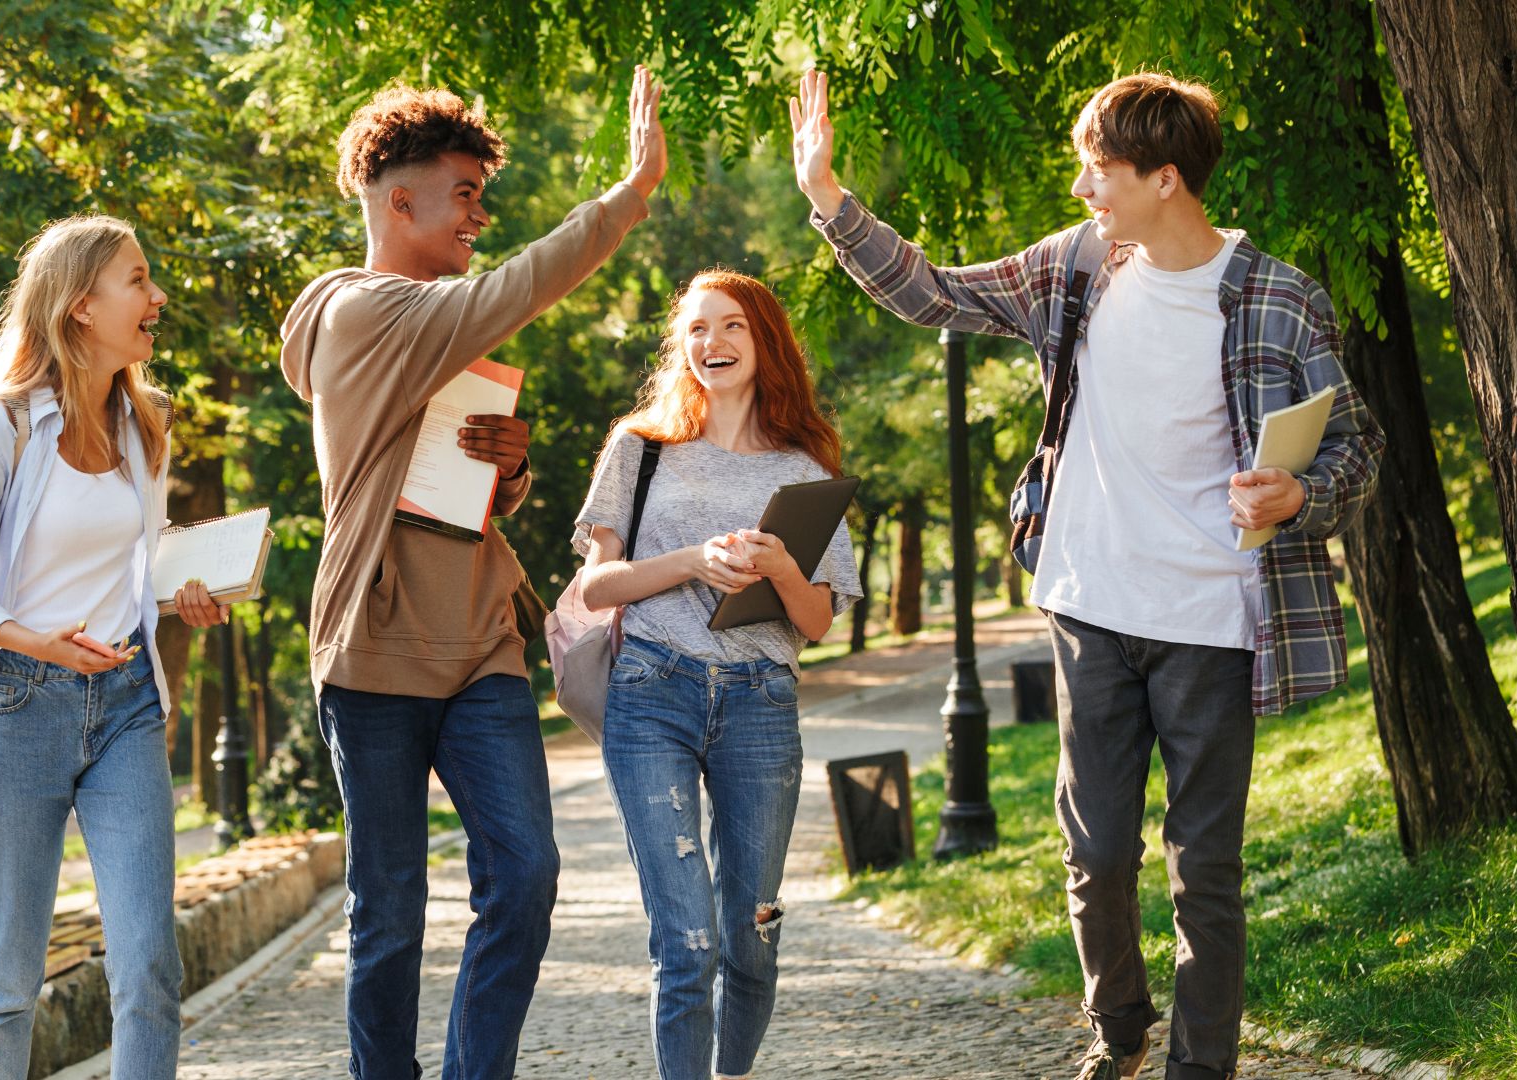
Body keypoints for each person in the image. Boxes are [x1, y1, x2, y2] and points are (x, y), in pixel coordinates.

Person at [788, 70, 1383, 1080]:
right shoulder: (1080, 269)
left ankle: (1203, 1067)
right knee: (1097, 856)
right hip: (1089, 606)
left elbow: (1355, 446)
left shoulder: (1279, 298)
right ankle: (1117, 1027)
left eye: (1097, 172)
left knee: (1207, 874)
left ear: (1164, 178)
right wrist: (829, 200)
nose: (1082, 192)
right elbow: (937, 292)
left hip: (1211, 619)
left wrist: (1296, 498)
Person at [275, 67, 666, 1079]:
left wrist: (511, 466)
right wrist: (626, 199)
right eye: (463, 195)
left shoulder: (439, 326)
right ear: (398, 202)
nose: (479, 219)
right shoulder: (363, 314)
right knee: (390, 912)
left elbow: (463, 489)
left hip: (481, 641)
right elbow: (515, 286)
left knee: (527, 874)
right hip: (376, 650)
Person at [0, 214, 229, 1080]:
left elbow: (144, 560)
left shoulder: (145, 424)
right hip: (18, 704)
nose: (157, 296)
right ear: (82, 304)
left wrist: (188, 593)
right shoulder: (3, 425)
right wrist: (38, 643)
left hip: (126, 699)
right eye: (139, 279)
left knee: (149, 962)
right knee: (14, 973)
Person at [571, 269, 862, 1080]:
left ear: (764, 342)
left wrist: (781, 570)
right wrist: (693, 562)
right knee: (687, 938)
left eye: (731, 326)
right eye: (697, 329)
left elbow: (816, 621)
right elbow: (597, 587)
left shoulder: (805, 466)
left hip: (761, 701)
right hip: (651, 691)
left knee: (751, 934)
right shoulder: (641, 448)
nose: (712, 343)